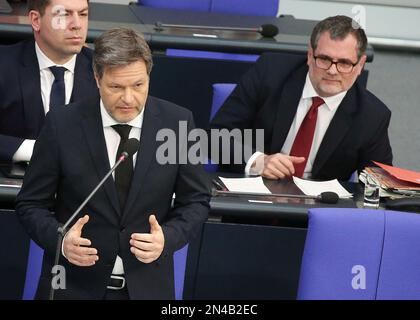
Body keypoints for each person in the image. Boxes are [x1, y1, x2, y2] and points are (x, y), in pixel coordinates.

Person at [15, 28, 211, 300]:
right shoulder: (62, 125)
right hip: (72, 288)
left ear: (149, 77)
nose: (128, 99)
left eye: (138, 85)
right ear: (97, 78)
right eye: (116, 87)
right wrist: (60, 239)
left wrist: (167, 237)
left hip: (146, 288)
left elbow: (197, 201)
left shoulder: (178, 125)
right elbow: (30, 203)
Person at [209, 15, 393, 181]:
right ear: (309, 55)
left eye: (344, 63)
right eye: (324, 59)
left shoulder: (372, 116)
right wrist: (258, 162)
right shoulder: (270, 73)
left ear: (360, 65)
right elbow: (214, 138)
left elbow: (378, 183)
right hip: (251, 197)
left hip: (318, 208)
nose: (332, 70)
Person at [0, 0, 98, 164]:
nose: (77, 25)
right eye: (64, 15)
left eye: (83, 14)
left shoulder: (106, 71)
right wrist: (31, 149)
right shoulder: (4, 65)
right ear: (36, 20)